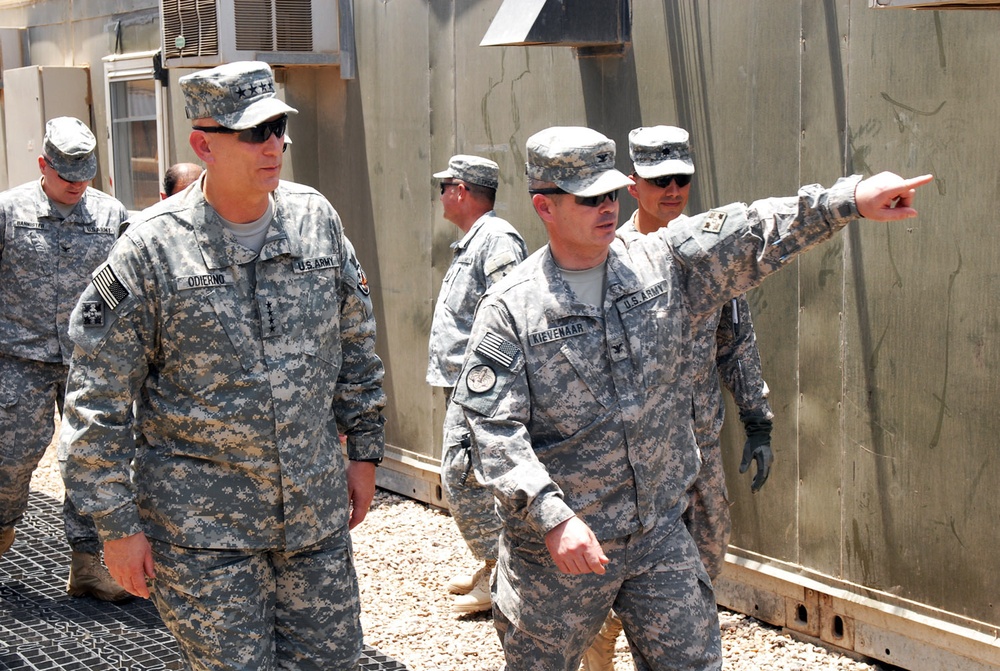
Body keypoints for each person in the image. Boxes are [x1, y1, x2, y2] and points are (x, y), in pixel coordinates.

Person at [451, 125, 931, 671]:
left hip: (659, 534)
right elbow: (492, 429)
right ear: (545, 207)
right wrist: (551, 514)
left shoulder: (663, 262)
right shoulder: (512, 308)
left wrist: (849, 201)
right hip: (558, 554)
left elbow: (750, 228)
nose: (607, 207)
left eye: (611, 193)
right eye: (589, 199)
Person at [59, 61, 386, 670]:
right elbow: (96, 398)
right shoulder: (150, 248)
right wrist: (114, 525)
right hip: (203, 530)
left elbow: (357, 344)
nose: (274, 145)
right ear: (203, 144)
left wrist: (364, 452)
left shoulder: (315, 219)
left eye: (279, 129)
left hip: (313, 519)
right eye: (254, 133)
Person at [581, 125, 775, 670]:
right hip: (632, 455)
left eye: (682, 179)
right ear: (632, 184)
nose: (673, 190)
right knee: (628, 562)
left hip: (699, 443)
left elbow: (736, 341)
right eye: (659, 179)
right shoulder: (607, 256)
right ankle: (608, 629)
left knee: (707, 556)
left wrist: (757, 419)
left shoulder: (709, 252)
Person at [0, 116, 130, 602]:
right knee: (8, 462)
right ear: (43, 166)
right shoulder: (9, 211)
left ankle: (88, 565)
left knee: (91, 461)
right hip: (19, 360)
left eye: (86, 176)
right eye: (67, 176)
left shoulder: (110, 214)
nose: (78, 185)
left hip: (87, 359)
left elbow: (125, 285)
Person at [430, 154, 527, 614]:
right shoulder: (475, 240)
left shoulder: (498, 240)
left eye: (444, 185)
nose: (442, 195)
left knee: (463, 476)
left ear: (462, 190)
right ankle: (493, 566)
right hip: (465, 383)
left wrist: (484, 386)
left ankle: (500, 574)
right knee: (469, 476)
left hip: (481, 388)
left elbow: (509, 318)